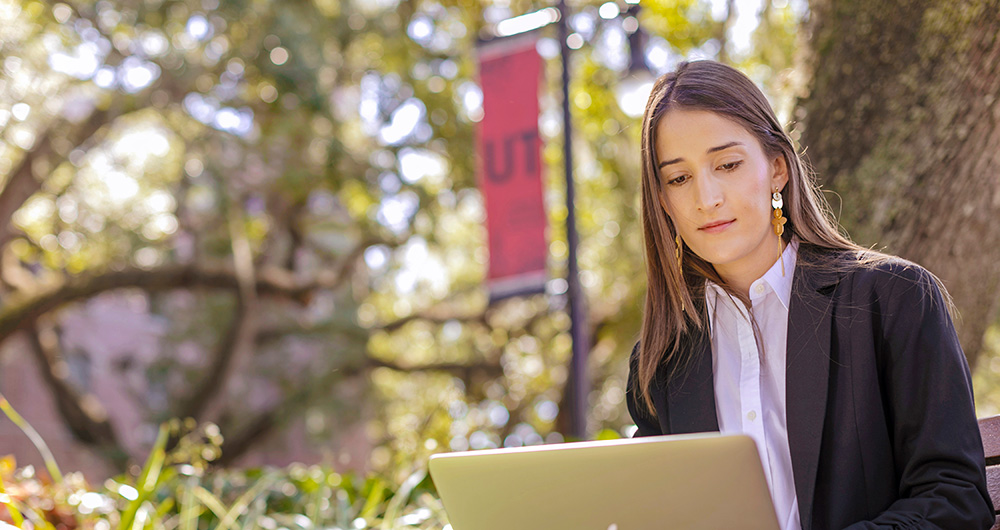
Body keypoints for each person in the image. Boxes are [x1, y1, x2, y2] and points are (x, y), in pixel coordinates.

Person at [625, 60, 994, 529]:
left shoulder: (894, 298)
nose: (707, 197)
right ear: (663, 201)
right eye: (679, 178)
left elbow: (956, 498)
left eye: (728, 164)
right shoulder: (662, 361)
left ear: (777, 168)